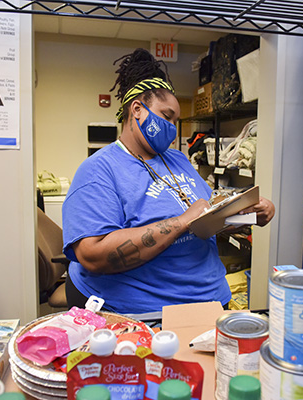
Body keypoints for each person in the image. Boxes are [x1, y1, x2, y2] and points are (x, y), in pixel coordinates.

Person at [62, 48, 275, 314]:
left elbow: (206, 218)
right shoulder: (99, 170)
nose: (173, 128)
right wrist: (182, 222)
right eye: (166, 116)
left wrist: (246, 215)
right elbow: (92, 255)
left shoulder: (177, 160)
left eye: (176, 120)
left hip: (210, 301)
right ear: (137, 110)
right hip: (147, 313)